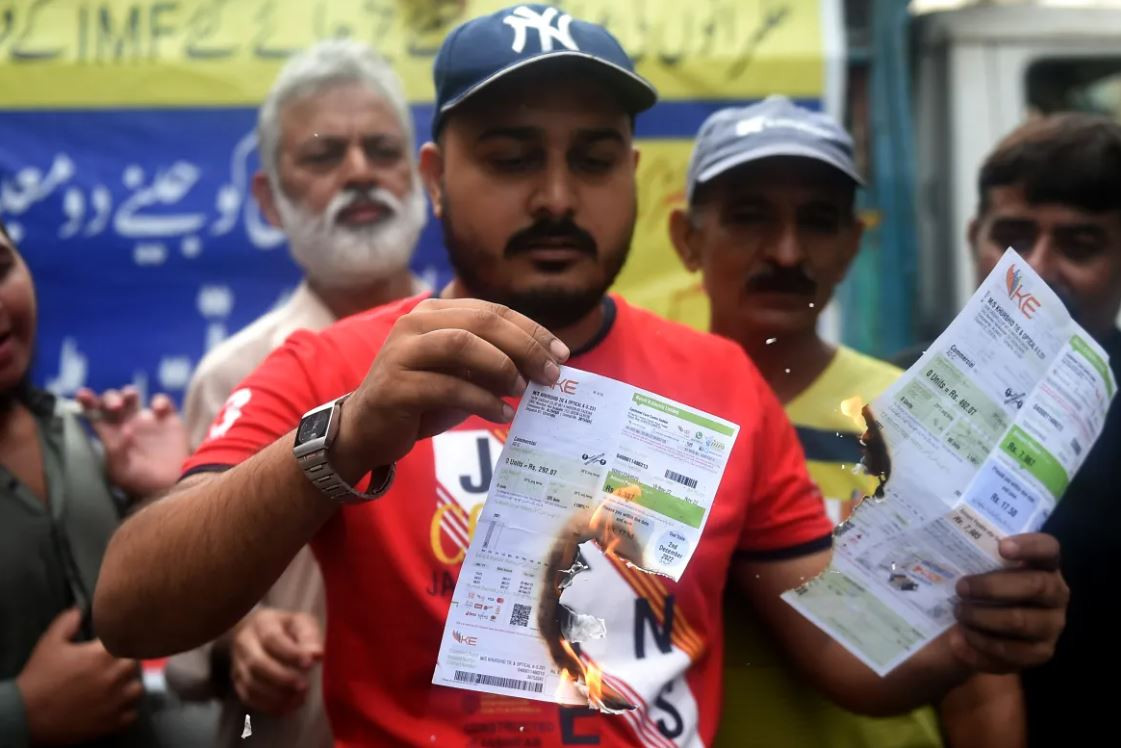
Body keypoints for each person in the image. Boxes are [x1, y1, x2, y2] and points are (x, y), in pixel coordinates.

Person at [94, 6, 1069, 747]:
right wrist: (343, 439)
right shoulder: (337, 367)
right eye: (512, 157)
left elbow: (841, 654)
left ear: (632, 175)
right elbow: (132, 605)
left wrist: (964, 635)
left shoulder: (719, 381)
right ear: (434, 176)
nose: (556, 196)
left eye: (592, 160)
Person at [670, 97, 1024, 747]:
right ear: (686, 239)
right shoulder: (651, 410)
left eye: (817, 222)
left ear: (851, 244)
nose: (784, 252)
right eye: (748, 218)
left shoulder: (919, 417)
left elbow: (980, 691)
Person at [167, 39, 429, 748]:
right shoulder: (234, 376)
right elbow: (174, 612)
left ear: (422, 175)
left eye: (381, 150)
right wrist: (238, 641)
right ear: (269, 200)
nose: (359, 173)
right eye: (321, 156)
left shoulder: (484, 351)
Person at [0, 219, 189, 746]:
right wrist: (21, 714)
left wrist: (156, 501)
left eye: (0, 269)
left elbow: (157, 619)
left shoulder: (71, 431)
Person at [964, 112, 1121, 747]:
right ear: (973, 237)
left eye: (1079, 245)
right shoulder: (885, 395)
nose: (1037, 270)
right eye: (1012, 238)